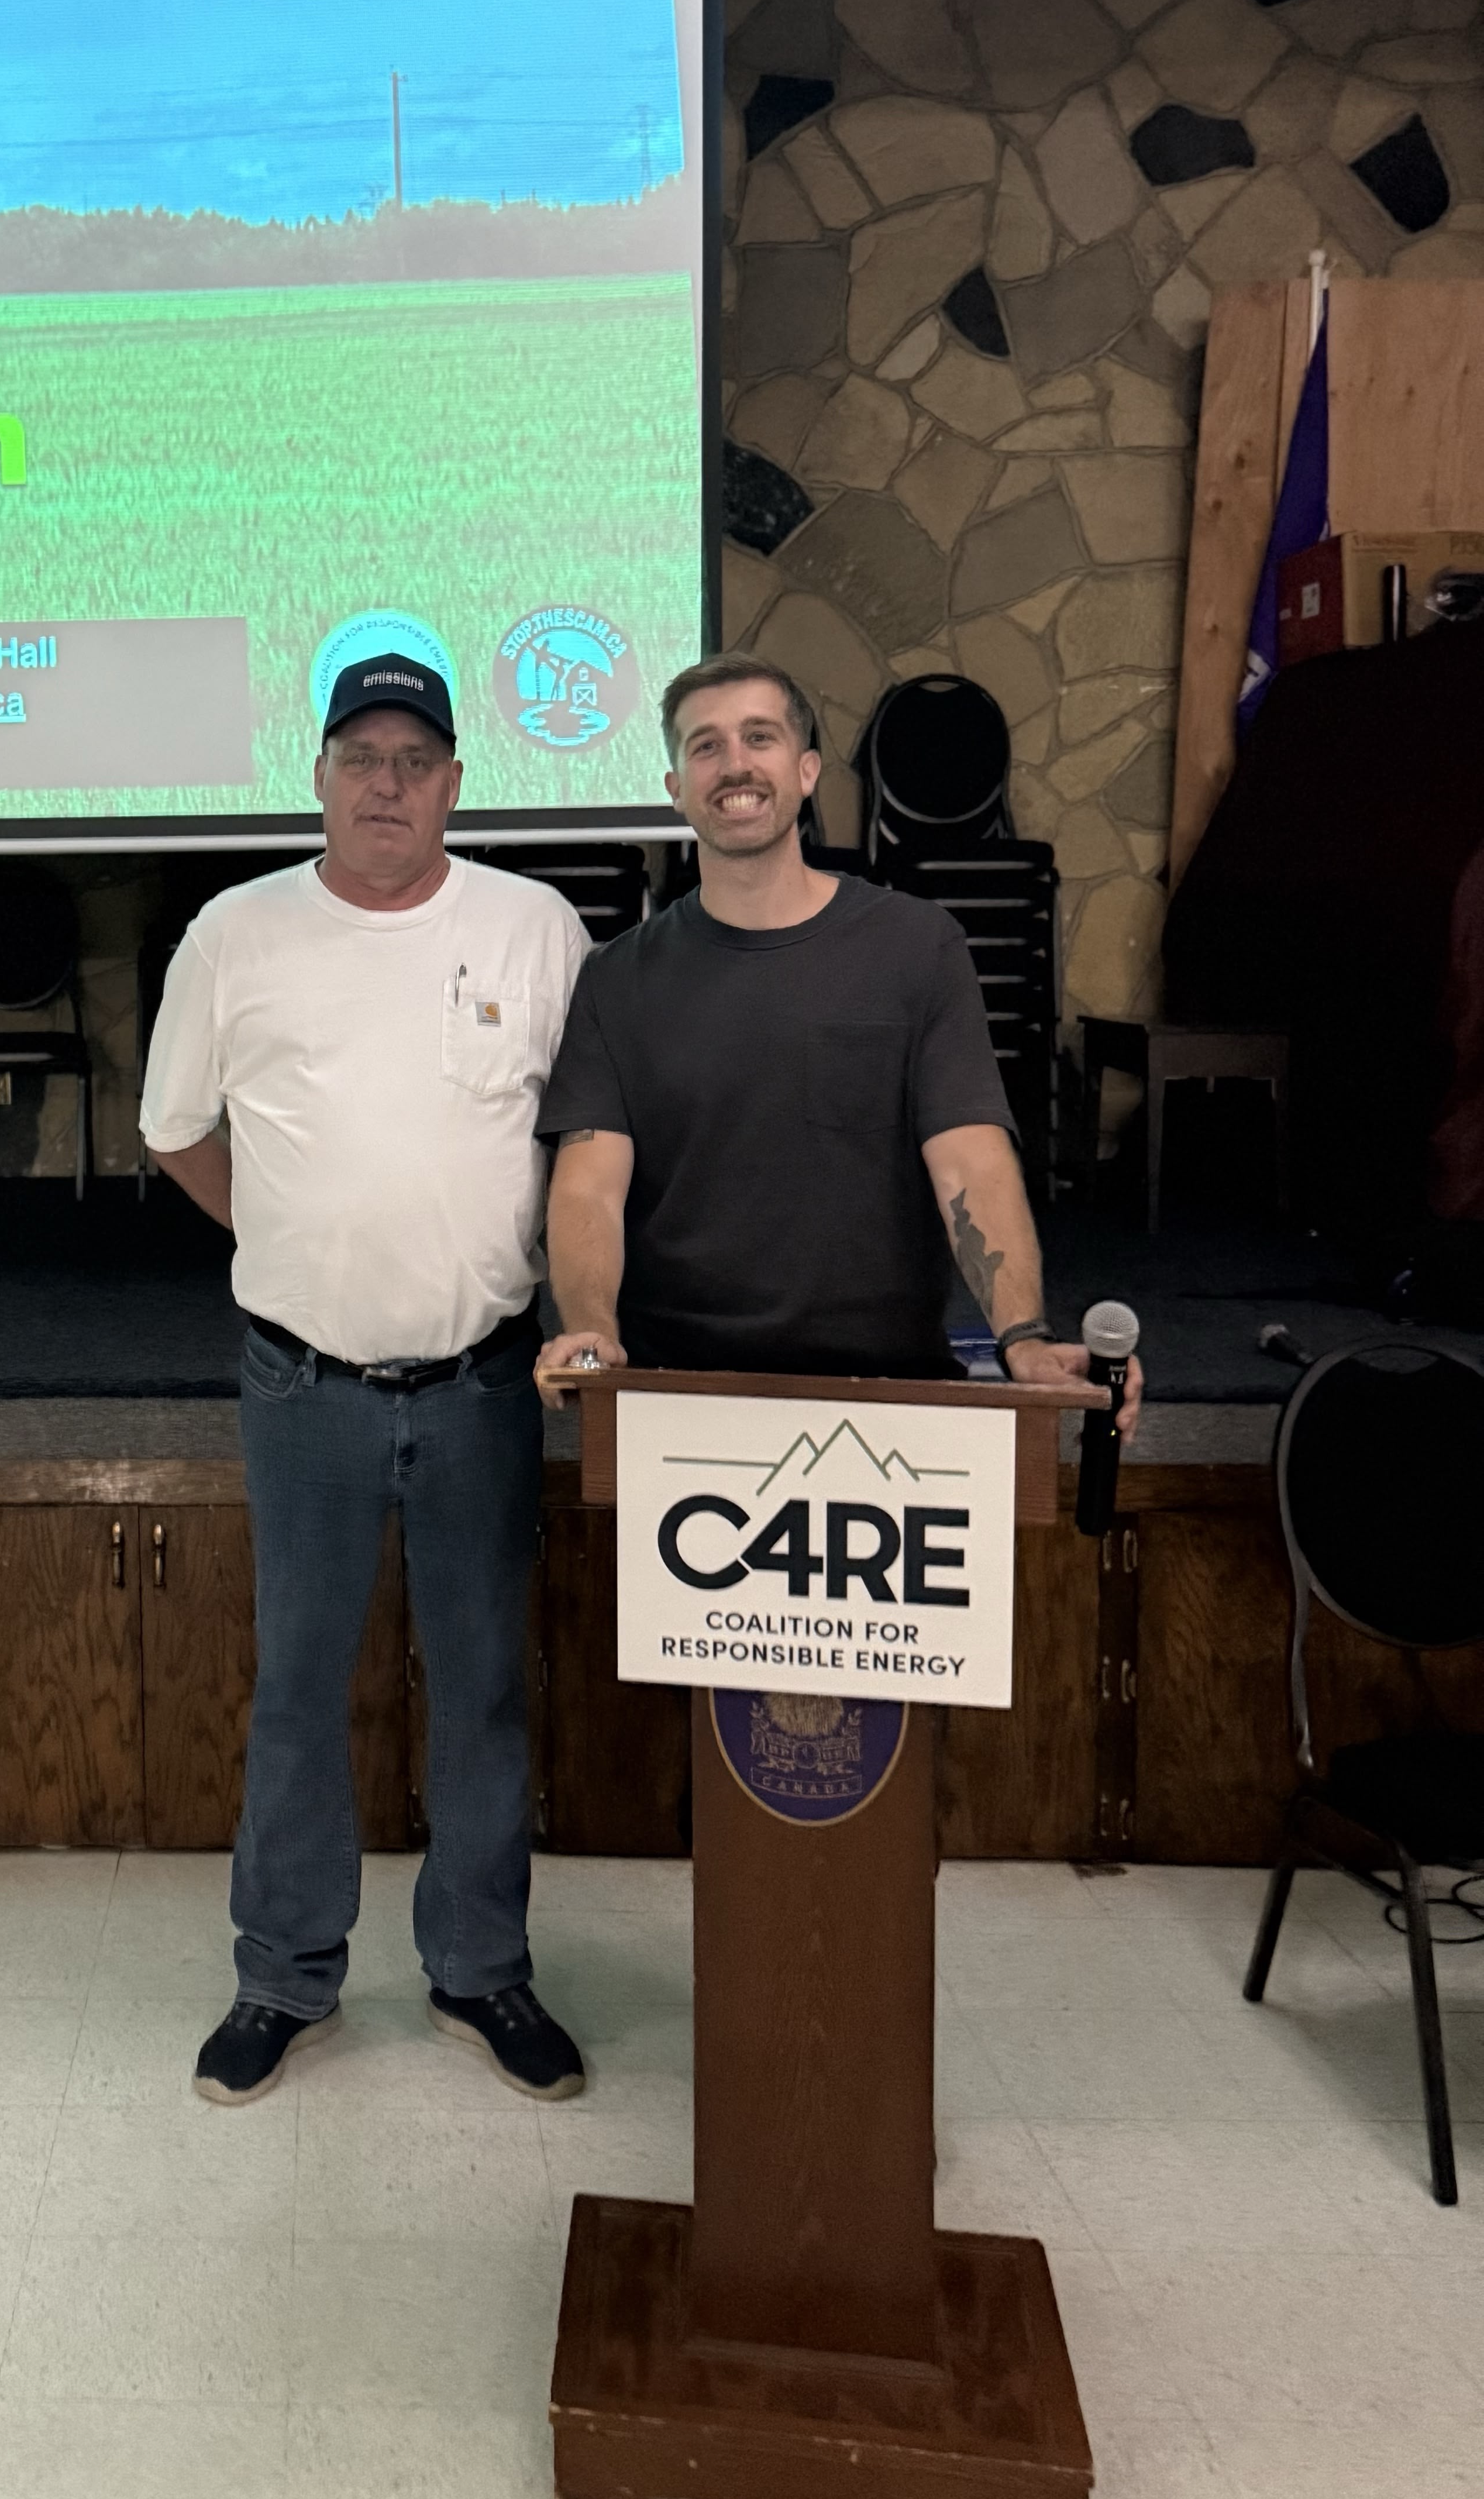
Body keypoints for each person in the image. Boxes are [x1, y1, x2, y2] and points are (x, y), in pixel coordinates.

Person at [141, 652, 594, 2106]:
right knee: (296, 1689)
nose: (388, 783)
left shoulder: (537, 930)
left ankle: (478, 1971)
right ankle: (283, 1974)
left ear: (456, 783)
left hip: (481, 1388)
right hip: (303, 1389)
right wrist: (288, 1240)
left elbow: (585, 1147)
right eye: (362, 757)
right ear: (317, 778)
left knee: (481, 1693)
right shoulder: (235, 933)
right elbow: (178, 1133)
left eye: (416, 759)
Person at [534, 652, 1144, 1426]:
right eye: (705, 746)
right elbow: (590, 1186)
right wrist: (591, 1331)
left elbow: (969, 1159)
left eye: (760, 737)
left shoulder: (916, 949)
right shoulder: (617, 980)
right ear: (675, 791)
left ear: (808, 769)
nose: (735, 765)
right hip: (676, 1398)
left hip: (889, 1390)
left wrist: (1021, 1336)